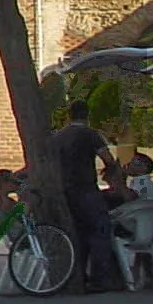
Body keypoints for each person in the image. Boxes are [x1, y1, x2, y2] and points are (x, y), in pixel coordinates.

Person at [52, 100, 120, 293]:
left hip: (66, 190)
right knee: (99, 231)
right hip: (86, 188)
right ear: (87, 115)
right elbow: (107, 158)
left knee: (77, 234)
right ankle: (101, 278)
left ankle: (78, 276)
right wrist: (111, 173)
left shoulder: (58, 136)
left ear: (69, 115)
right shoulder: (90, 134)